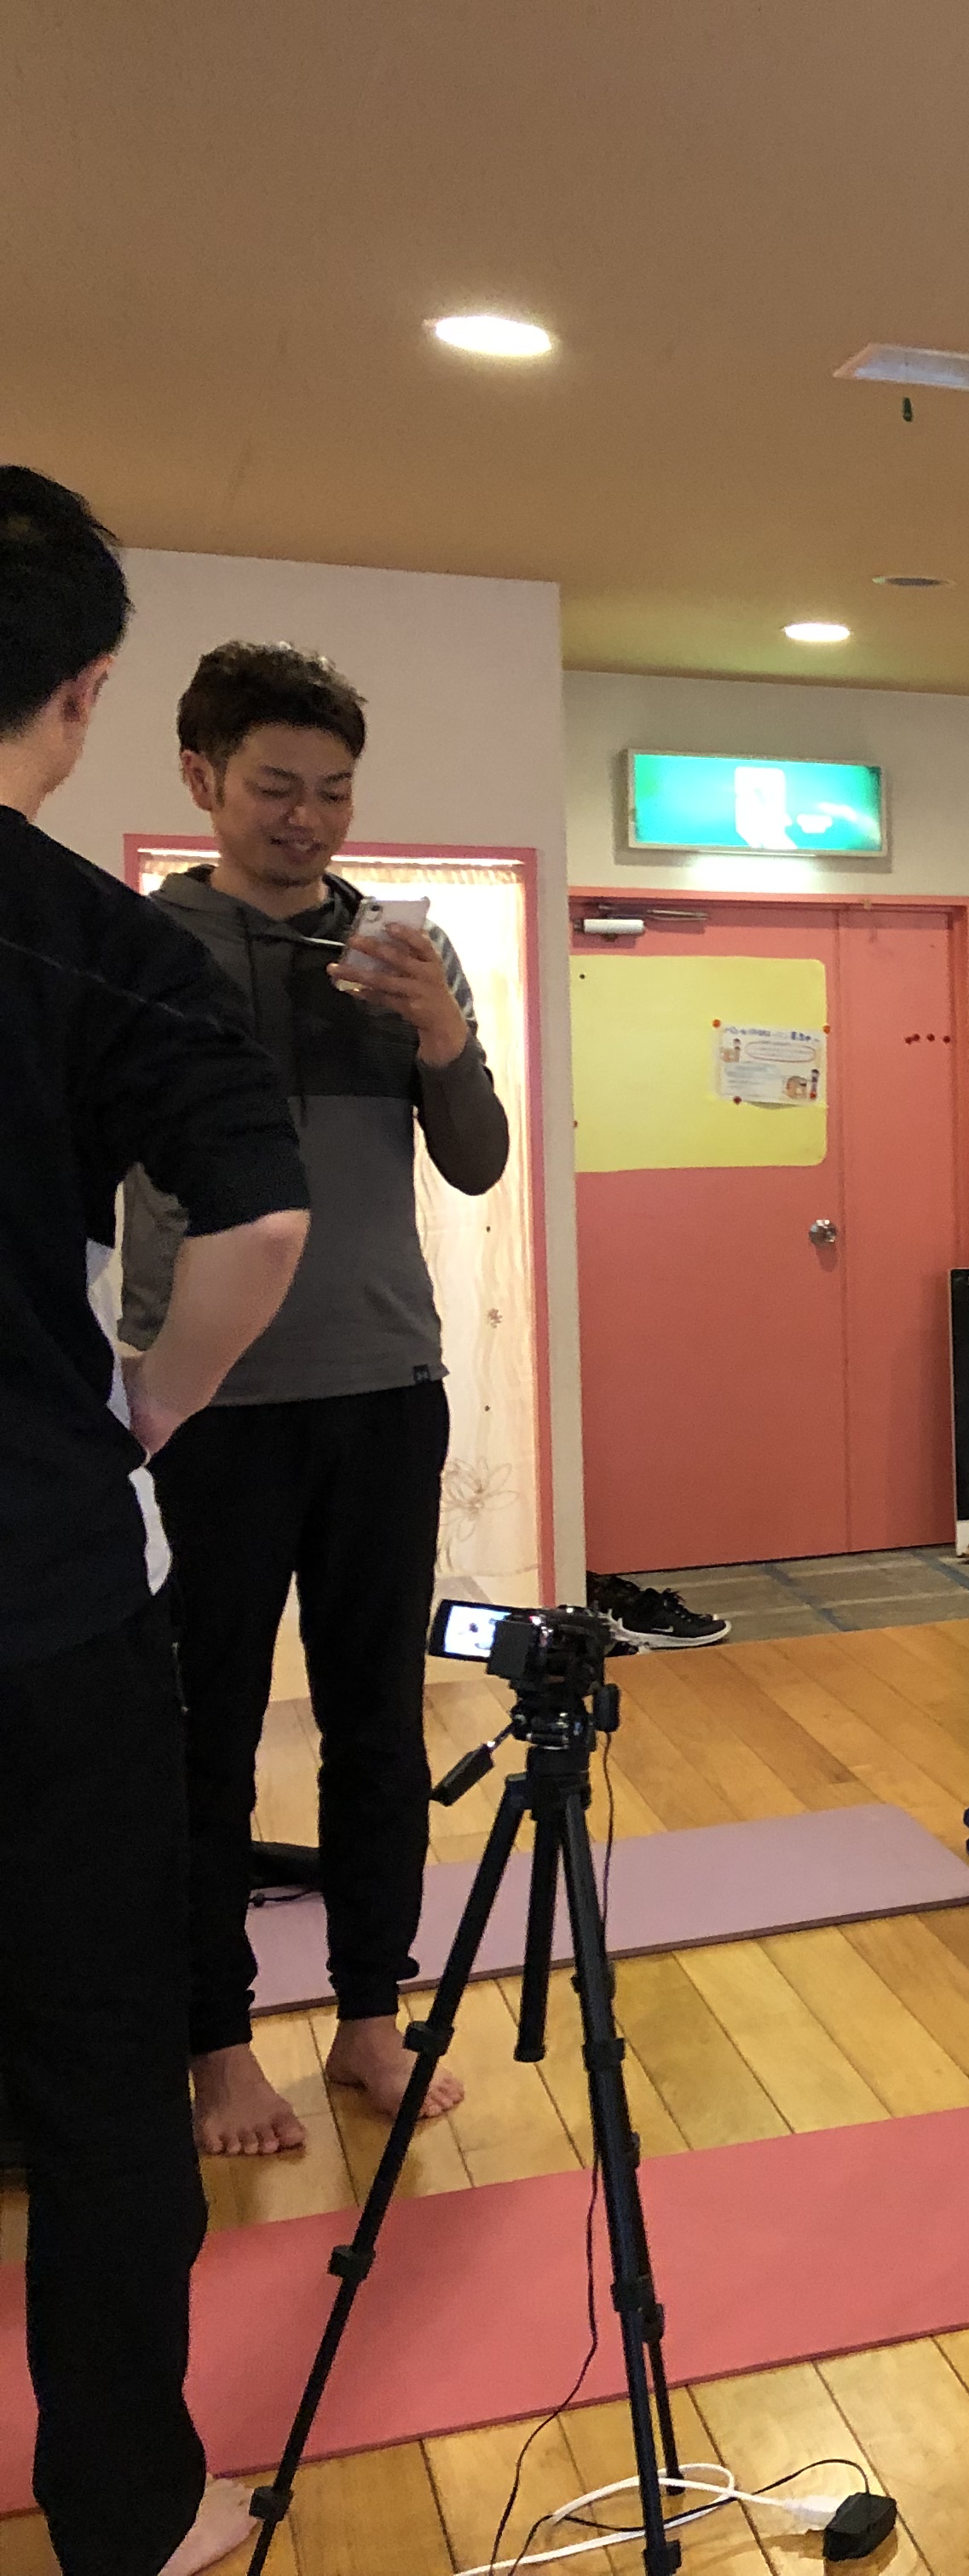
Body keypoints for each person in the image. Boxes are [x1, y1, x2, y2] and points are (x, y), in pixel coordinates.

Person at [2, 465, 309, 2576]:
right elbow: (257, 1222)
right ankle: (127, 2515)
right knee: (100, 2077)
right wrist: (147, 1411)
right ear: (92, 694)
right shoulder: (86, 937)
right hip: (37, 1595)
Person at [115, 642, 511, 2159]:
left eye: (334, 791)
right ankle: (216, 2044)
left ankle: (368, 2017)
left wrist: (442, 1037)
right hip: (201, 1403)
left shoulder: (402, 948)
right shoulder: (142, 947)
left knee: (377, 1724)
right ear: (201, 778)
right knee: (202, 1734)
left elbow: (473, 1158)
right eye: (277, 786)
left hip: (384, 1384)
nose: (308, 817)